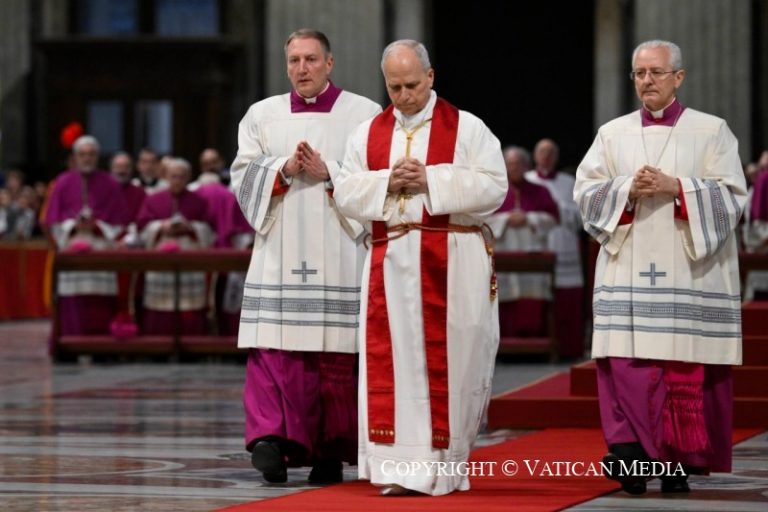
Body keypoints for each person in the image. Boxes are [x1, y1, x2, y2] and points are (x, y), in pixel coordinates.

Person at [333, 39, 507, 496]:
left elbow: (495, 187)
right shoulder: (367, 133)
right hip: (389, 263)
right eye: (394, 87)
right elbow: (345, 192)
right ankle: (399, 468)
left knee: (454, 363)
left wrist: (430, 177)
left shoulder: (467, 128)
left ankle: (445, 467)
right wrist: (387, 181)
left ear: (431, 77)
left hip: (452, 261)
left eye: (412, 85)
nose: (404, 96)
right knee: (397, 366)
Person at [574, 40, 746, 495]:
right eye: (639, 73)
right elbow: (585, 193)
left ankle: (675, 464)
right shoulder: (612, 134)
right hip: (627, 270)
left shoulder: (712, 131)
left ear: (678, 77)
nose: (646, 80)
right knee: (626, 365)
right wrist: (626, 190)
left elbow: (732, 199)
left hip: (688, 271)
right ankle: (630, 455)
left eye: (656, 72)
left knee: (678, 368)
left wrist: (677, 188)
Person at [230, 28, 381, 484]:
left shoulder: (364, 114)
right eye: (294, 60)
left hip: (340, 249)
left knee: (333, 357)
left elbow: (376, 178)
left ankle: (328, 453)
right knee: (275, 349)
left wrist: (329, 172)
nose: (302, 69)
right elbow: (243, 175)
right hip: (280, 250)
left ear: (329, 63)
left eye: (311, 59)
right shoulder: (262, 115)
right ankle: (272, 442)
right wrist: (283, 169)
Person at [43, 135, 128, 336]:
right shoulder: (62, 182)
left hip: (100, 252)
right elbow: (52, 222)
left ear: (97, 157)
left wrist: (97, 226)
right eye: (82, 154)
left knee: (100, 305)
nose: (87, 158)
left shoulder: (110, 183)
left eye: (91, 154)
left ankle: (100, 345)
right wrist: (73, 226)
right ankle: (70, 343)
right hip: (72, 253)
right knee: (73, 304)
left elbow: (120, 224)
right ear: (75, 157)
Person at [488, 146, 559, 340]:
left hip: (532, 259)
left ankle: (535, 344)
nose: (514, 168)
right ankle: (505, 345)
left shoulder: (540, 191)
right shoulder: (494, 192)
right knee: (505, 301)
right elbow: (481, 222)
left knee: (532, 301)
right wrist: (505, 219)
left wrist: (529, 218)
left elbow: (554, 218)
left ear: (526, 166)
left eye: (518, 163)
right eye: (510, 164)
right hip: (504, 258)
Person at [137, 158, 213, 336]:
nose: (177, 180)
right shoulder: (153, 200)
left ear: (188, 178)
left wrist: (191, 228)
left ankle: (191, 342)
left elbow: (210, 231)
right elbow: (141, 229)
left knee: (189, 305)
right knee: (160, 306)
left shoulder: (198, 201)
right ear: (166, 177)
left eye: (181, 176)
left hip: (189, 261)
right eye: (173, 176)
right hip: (160, 260)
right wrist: (160, 227)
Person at [525, 138, 585, 359]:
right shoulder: (526, 180)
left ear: (556, 157)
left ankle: (567, 348)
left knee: (565, 301)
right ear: (535, 156)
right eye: (542, 152)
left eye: (551, 153)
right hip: (536, 245)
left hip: (563, 244)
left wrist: (559, 209)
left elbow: (582, 216)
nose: (546, 157)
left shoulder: (569, 182)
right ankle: (535, 351)